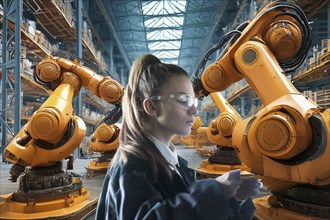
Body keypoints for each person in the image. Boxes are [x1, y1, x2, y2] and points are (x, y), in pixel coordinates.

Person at [95, 54, 263, 220]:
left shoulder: (173, 164)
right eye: (183, 100)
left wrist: (233, 198)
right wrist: (215, 192)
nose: (194, 110)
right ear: (152, 107)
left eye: (194, 101)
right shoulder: (131, 166)